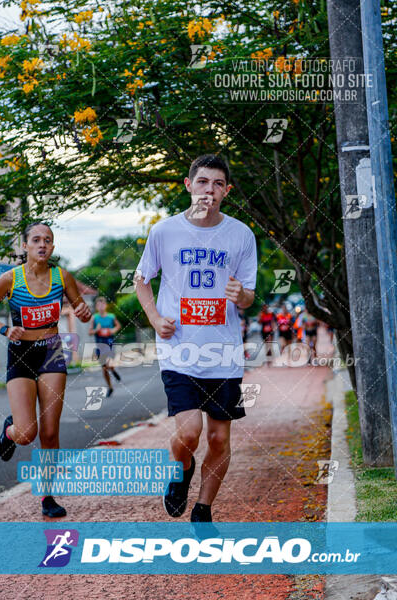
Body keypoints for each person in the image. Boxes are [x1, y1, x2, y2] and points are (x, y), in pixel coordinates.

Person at [135, 154, 257, 532]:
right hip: (180, 351)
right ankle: (181, 472)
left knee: (219, 438)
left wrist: (241, 296)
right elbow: (142, 279)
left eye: (217, 184)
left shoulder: (241, 234)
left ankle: (203, 510)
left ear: (227, 191)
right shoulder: (164, 232)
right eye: (203, 182)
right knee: (189, 433)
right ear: (188, 185)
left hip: (223, 353)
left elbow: (249, 295)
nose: (210, 190)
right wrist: (155, 318)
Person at [0, 222, 92, 517]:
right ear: (24, 246)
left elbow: (81, 311)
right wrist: (4, 329)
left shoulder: (61, 276)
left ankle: (48, 496)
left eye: (47, 240)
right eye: (36, 240)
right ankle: (9, 432)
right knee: (27, 433)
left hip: (51, 353)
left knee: (50, 433)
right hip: (20, 354)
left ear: (52, 247)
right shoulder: (9, 279)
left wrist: (83, 312)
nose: (42, 245)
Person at [88, 296, 121, 397]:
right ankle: (110, 387)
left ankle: (113, 370)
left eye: (102, 304)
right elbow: (90, 332)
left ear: (105, 305)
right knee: (104, 369)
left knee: (108, 363)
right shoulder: (94, 318)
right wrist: (96, 330)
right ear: (96, 307)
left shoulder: (111, 316)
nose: (101, 306)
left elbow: (118, 325)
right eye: (99, 305)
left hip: (110, 343)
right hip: (100, 345)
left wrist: (113, 330)